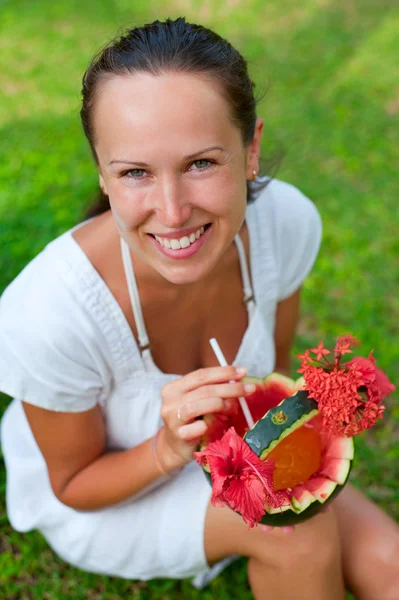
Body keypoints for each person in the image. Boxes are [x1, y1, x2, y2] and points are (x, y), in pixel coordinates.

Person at [0, 18, 398, 600]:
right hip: (110, 493)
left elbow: (271, 390)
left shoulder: (284, 225)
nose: (172, 211)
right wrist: (169, 449)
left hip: (239, 453)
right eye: (136, 172)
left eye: (200, 164)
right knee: (297, 534)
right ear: (103, 176)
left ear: (251, 148)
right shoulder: (46, 316)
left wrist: (319, 410)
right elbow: (73, 484)